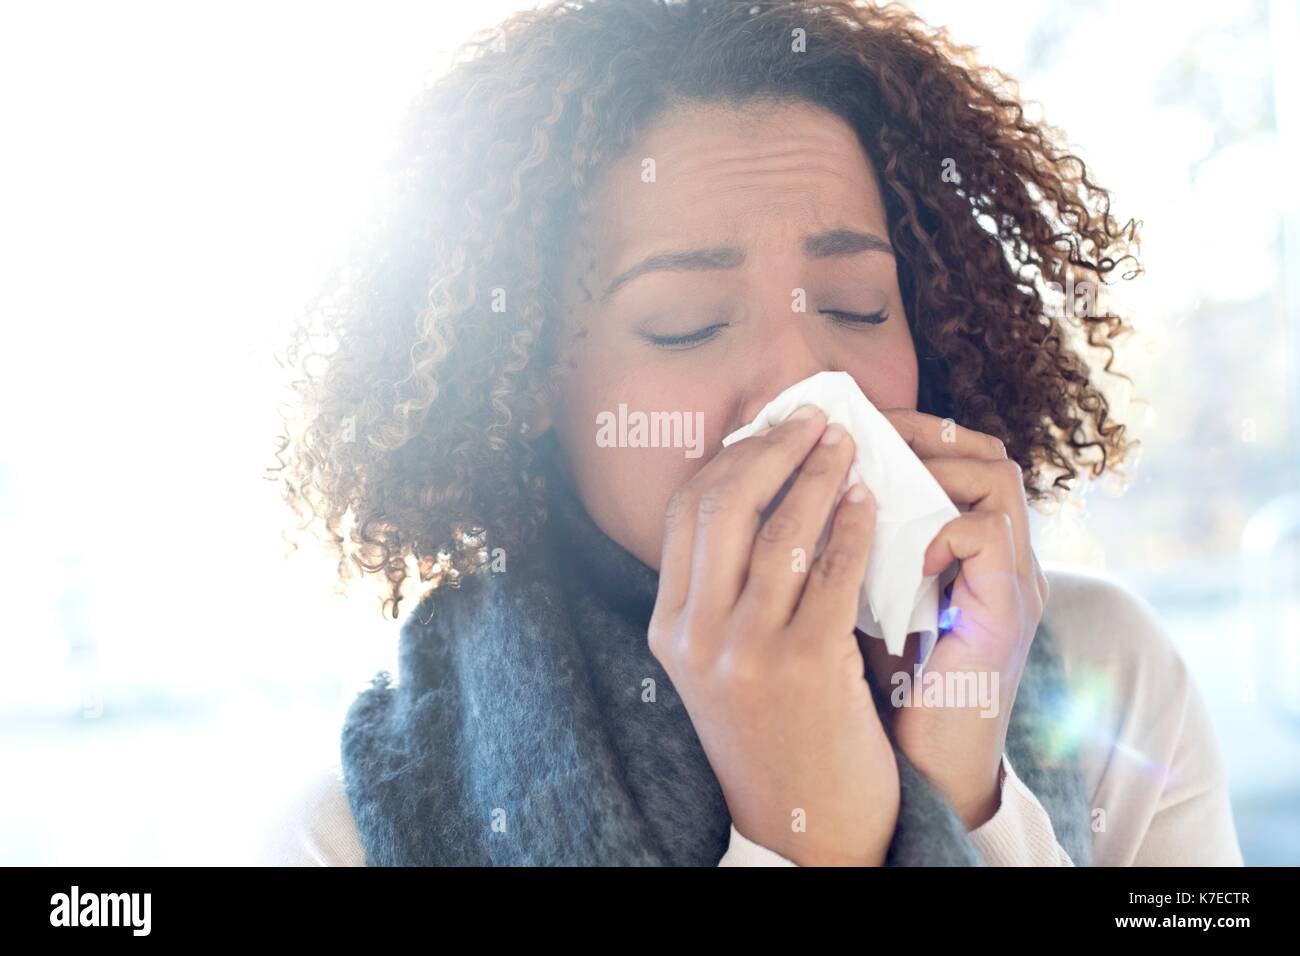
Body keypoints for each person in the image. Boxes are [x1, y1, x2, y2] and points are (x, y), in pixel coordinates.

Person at [262, 0, 1242, 866]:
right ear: (521, 378)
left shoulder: (1110, 678)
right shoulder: (352, 830)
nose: (805, 384)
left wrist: (960, 791)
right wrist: (811, 838)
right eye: (686, 320)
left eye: (859, 306)